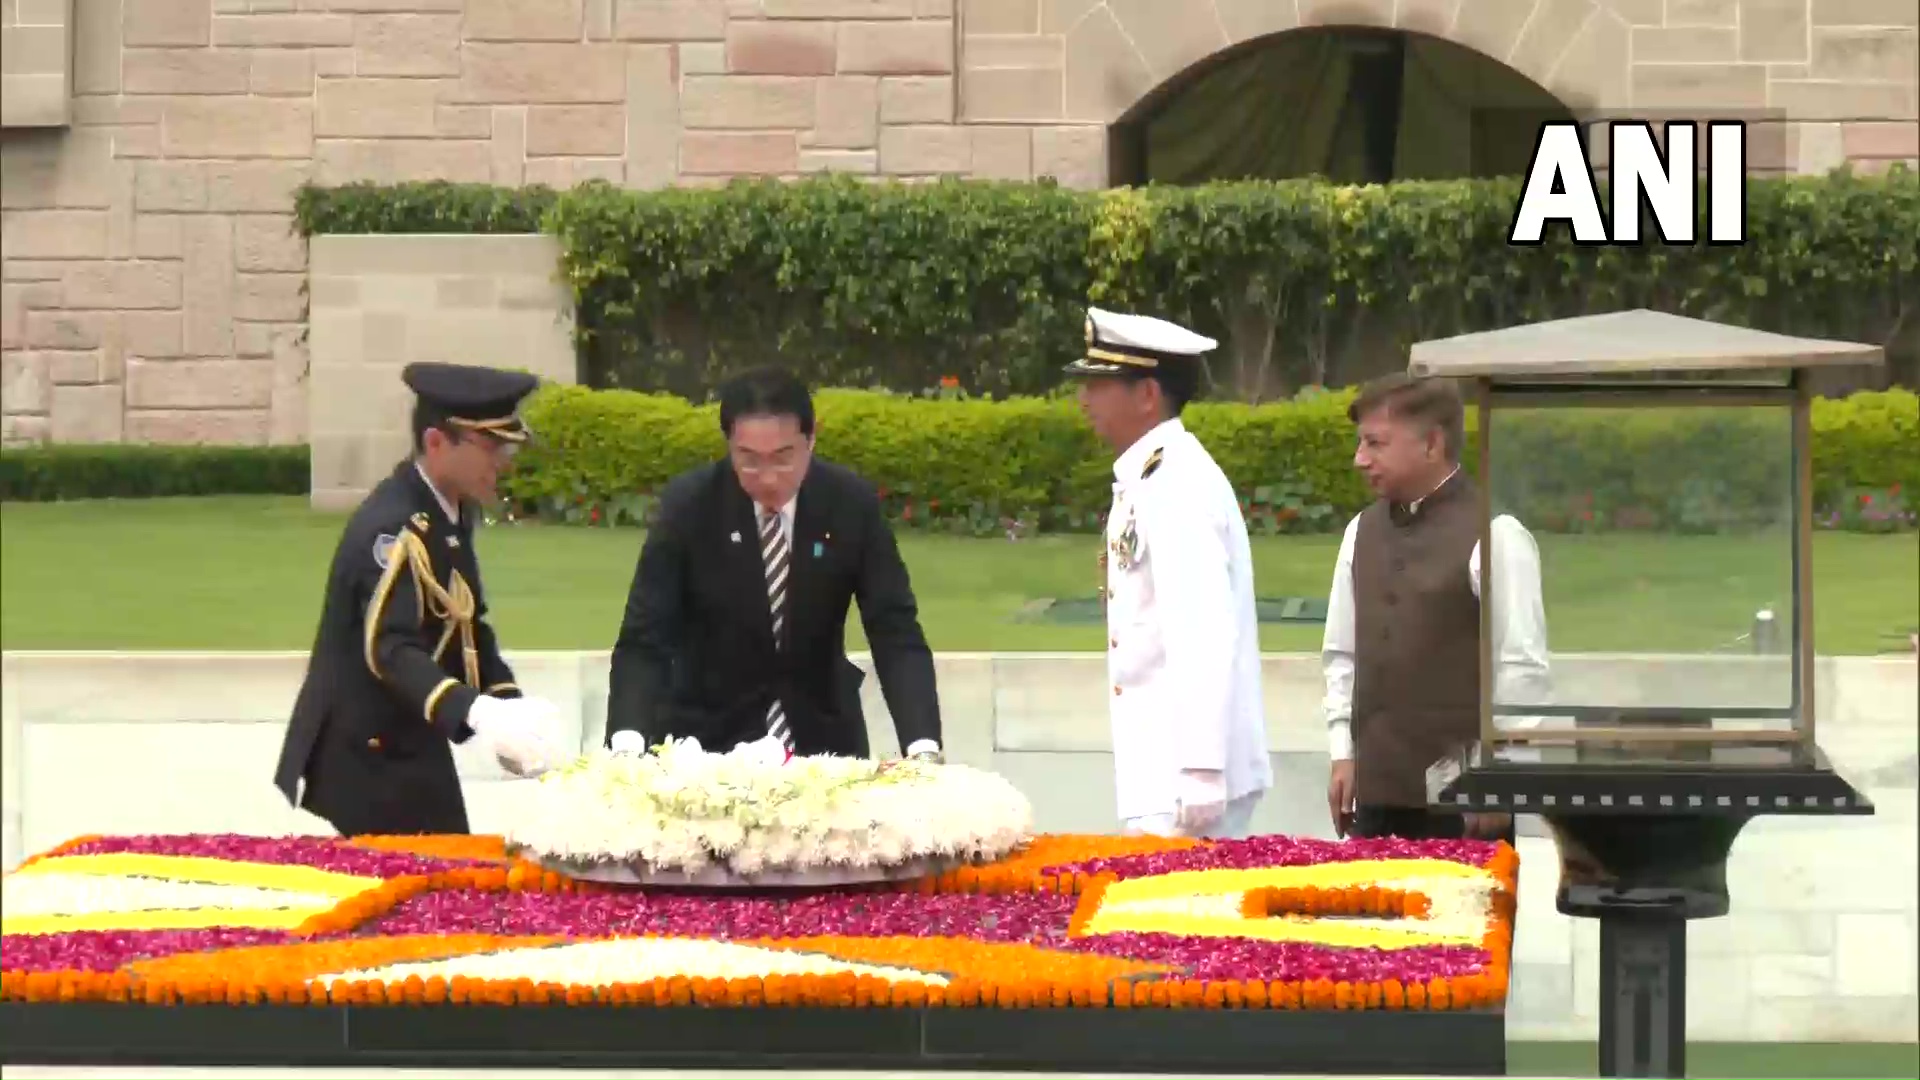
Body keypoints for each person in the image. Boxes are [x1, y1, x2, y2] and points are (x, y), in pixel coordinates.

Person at [273, 362, 564, 838]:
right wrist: (477, 712)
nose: (503, 461)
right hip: (367, 750)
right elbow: (389, 647)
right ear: (435, 442)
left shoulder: (446, 512)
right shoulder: (395, 528)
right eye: (490, 446)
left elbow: (466, 624)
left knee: (453, 878)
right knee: (432, 892)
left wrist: (507, 704)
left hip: (410, 733)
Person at [605, 365, 943, 761]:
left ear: (810, 441)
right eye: (748, 460)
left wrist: (923, 748)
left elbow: (894, 629)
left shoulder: (850, 504)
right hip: (705, 743)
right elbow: (645, 638)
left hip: (824, 745)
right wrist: (626, 744)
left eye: (783, 459)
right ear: (728, 445)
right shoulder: (690, 506)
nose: (767, 479)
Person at [1065, 308, 1273, 839]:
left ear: (1146, 394)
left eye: (1099, 383)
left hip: (1185, 783)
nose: (1084, 399)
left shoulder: (1175, 480)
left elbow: (1202, 628)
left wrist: (1202, 768)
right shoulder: (1154, 473)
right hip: (1167, 772)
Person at [1322, 373, 1552, 843]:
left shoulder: (1497, 534)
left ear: (1431, 444)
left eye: (1375, 443)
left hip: (1464, 806)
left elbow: (1521, 666)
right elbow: (1341, 655)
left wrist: (1502, 781)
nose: (1359, 459)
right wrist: (1342, 752)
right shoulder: (1359, 531)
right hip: (1375, 799)